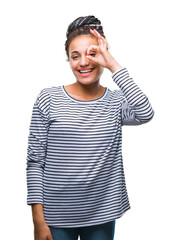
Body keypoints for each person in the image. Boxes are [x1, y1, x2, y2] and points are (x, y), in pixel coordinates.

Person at [26, 15, 154, 240]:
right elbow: (35, 161)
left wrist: (113, 64)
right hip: (56, 216)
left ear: (103, 55)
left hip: (102, 213)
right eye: (75, 56)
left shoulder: (115, 102)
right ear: (68, 60)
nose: (83, 62)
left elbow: (145, 112)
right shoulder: (49, 99)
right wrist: (38, 220)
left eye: (92, 54)